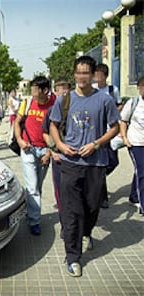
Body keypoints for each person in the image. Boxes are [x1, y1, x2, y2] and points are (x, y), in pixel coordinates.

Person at [49, 56, 120, 277]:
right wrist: (60, 145)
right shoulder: (64, 100)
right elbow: (52, 125)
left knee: (92, 206)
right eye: (78, 72)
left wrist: (97, 144)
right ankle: (73, 257)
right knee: (72, 212)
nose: (82, 77)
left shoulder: (104, 99)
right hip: (71, 163)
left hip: (96, 163)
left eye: (86, 73)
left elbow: (115, 127)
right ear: (74, 74)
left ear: (93, 75)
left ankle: (87, 232)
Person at [14, 76, 55, 236]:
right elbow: (17, 123)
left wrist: (50, 152)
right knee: (32, 187)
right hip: (28, 149)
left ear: (45, 90)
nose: (32, 93)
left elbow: (57, 130)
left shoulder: (54, 104)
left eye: (35, 90)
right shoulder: (27, 103)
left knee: (37, 186)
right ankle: (34, 221)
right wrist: (19, 140)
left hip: (45, 151)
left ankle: (31, 211)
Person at [42, 78, 72, 238]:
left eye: (65, 89)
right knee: (61, 194)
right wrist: (53, 151)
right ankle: (66, 226)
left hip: (77, 159)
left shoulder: (77, 108)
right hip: (59, 158)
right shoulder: (52, 110)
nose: (62, 93)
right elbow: (45, 132)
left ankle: (81, 228)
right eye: (59, 90)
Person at [93, 63, 122, 208]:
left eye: (99, 74)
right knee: (101, 163)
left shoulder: (112, 90)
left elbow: (119, 104)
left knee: (113, 161)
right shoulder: (93, 90)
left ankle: (98, 177)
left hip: (111, 132)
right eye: (95, 74)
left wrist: (113, 113)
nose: (97, 77)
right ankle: (102, 198)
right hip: (98, 133)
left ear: (105, 76)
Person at [120, 76, 144, 215]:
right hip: (135, 143)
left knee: (140, 170)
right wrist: (124, 138)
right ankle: (142, 204)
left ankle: (134, 196)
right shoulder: (133, 103)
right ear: (139, 88)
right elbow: (123, 121)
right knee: (142, 171)